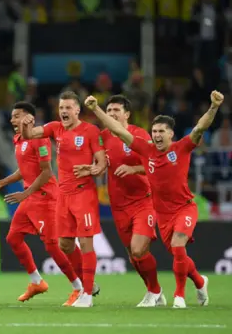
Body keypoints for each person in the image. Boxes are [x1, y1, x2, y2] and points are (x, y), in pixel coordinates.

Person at [84, 91, 221, 308]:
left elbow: (200, 128)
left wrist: (213, 107)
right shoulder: (143, 148)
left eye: (161, 132)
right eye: (154, 131)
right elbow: (117, 131)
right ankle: (194, 281)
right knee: (137, 256)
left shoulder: (180, 147)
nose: (156, 135)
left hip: (163, 205)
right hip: (148, 210)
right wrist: (95, 110)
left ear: (170, 134)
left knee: (156, 249)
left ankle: (177, 296)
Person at [76, 95, 164, 307]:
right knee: (134, 257)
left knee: (137, 249)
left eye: (116, 110)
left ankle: (155, 291)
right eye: (109, 110)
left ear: (127, 114)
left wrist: (134, 168)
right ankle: (155, 292)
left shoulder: (139, 135)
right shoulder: (103, 137)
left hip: (143, 201)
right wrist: (93, 169)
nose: (112, 114)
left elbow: (156, 164)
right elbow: (101, 165)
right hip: (118, 205)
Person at [21, 91, 105, 307]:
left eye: (68, 108)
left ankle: (86, 294)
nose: (64, 111)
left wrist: (91, 171)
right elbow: (30, 135)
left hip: (83, 193)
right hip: (63, 195)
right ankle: (90, 283)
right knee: (65, 244)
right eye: (61, 108)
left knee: (86, 243)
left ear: (78, 110)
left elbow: (102, 162)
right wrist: (25, 124)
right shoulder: (54, 128)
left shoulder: (90, 131)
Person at [1, 102, 83, 305]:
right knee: (13, 238)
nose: (12, 120)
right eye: (12, 116)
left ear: (29, 118)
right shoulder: (18, 139)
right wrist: (2, 181)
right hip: (30, 198)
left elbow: (47, 172)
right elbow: (25, 170)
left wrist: (25, 192)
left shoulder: (41, 139)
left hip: (46, 197)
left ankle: (79, 288)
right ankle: (37, 282)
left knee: (53, 246)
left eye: (17, 116)